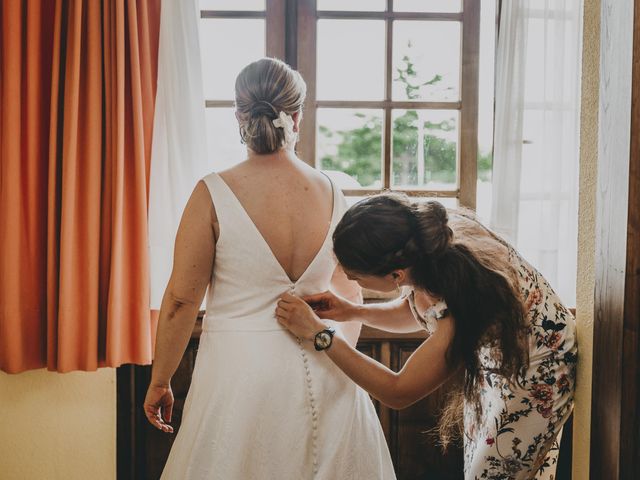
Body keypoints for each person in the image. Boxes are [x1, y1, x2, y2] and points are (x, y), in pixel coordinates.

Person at [143, 58, 396, 479]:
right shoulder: (332, 191)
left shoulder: (212, 192)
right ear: (296, 117)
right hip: (329, 368)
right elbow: (349, 292)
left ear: (239, 116)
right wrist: (332, 352)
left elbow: (181, 300)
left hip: (240, 378)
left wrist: (160, 381)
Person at [276, 194, 577, 479]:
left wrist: (321, 334)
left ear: (396, 275)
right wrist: (352, 311)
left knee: (491, 471)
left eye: (354, 276)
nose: (345, 275)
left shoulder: (463, 293)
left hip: (538, 366)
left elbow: (398, 391)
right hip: (501, 357)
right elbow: (421, 311)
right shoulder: (425, 247)